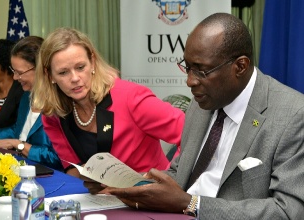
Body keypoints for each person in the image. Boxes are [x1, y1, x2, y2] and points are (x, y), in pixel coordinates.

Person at [100, 13, 304, 219]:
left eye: (201, 71)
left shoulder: (293, 116)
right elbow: (181, 174)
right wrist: (124, 185)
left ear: (240, 66)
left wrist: (192, 204)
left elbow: (288, 211)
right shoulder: (203, 101)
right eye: (187, 68)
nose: (190, 81)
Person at [31, 27, 184, 178]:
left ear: (92, 62)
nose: (75, 78)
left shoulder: (131, 97)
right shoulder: (53, 114)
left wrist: (171, 177)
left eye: (80, 67)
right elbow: (72, 169)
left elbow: (190, 134)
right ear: (49, 75)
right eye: (63, 72)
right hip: (101, 199)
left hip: (150, 196)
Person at [0, 36, 62, 170]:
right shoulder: (26, 96)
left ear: (41, 69)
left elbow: (58, 158)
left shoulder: (60, 104)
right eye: (14, 71)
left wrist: (19, 145)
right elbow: (17, 130)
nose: (15, 77)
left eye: (20, 72)